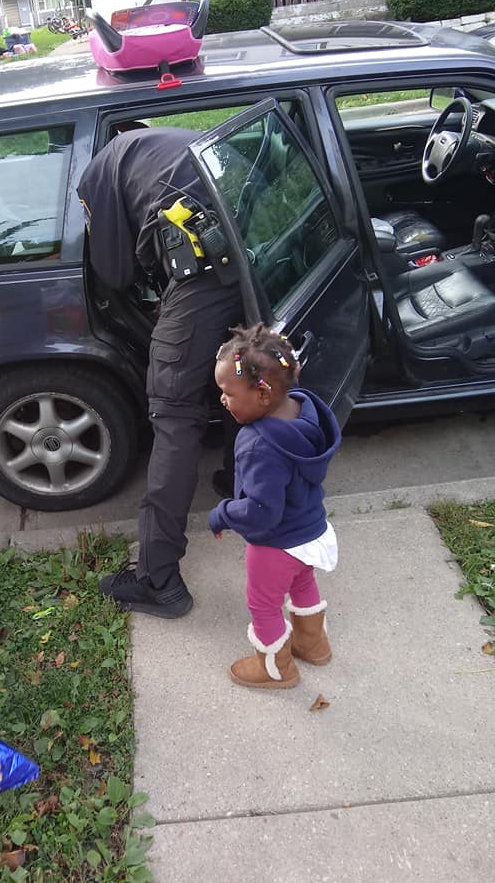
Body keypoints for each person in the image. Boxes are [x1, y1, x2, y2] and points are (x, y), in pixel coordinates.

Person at [78, 126, 244, 618]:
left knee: (173, 413)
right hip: (250, 252)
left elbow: (115, 273)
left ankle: (159, 580)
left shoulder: (96, 173)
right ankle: (244, 489)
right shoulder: (178, 143)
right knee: (242, 370)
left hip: (203, 271)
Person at [209, 325, 341, 688]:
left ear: (262, 394)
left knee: (264, 605)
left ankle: (275, 669)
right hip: (311, 529)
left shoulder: (257, 444)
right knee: (302, 581)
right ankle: (314, 644)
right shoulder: (304, 411)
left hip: (276, 545)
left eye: (228, 392)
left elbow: (261, 513)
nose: (222, 399)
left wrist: (222, 514)